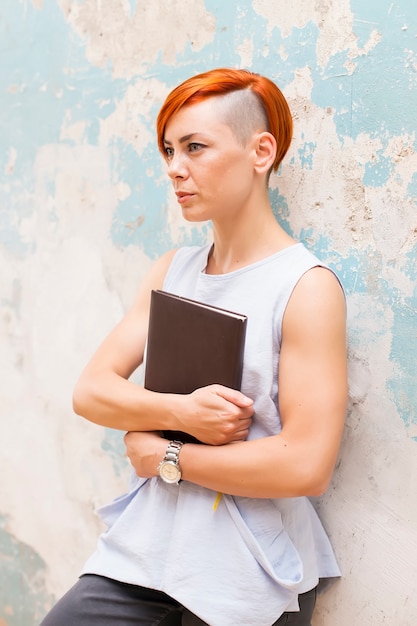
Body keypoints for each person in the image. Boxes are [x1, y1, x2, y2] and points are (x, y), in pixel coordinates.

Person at [40, 68, 347, 626]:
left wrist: (167, 457)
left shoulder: (305, 287)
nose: (174, 168)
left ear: (261, 152)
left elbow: (306, 464)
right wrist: (180, 412)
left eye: (195, 147)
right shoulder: (172, 271)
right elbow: (91, 392)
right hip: (145, 553)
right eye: (169, 150)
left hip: (248, 568)